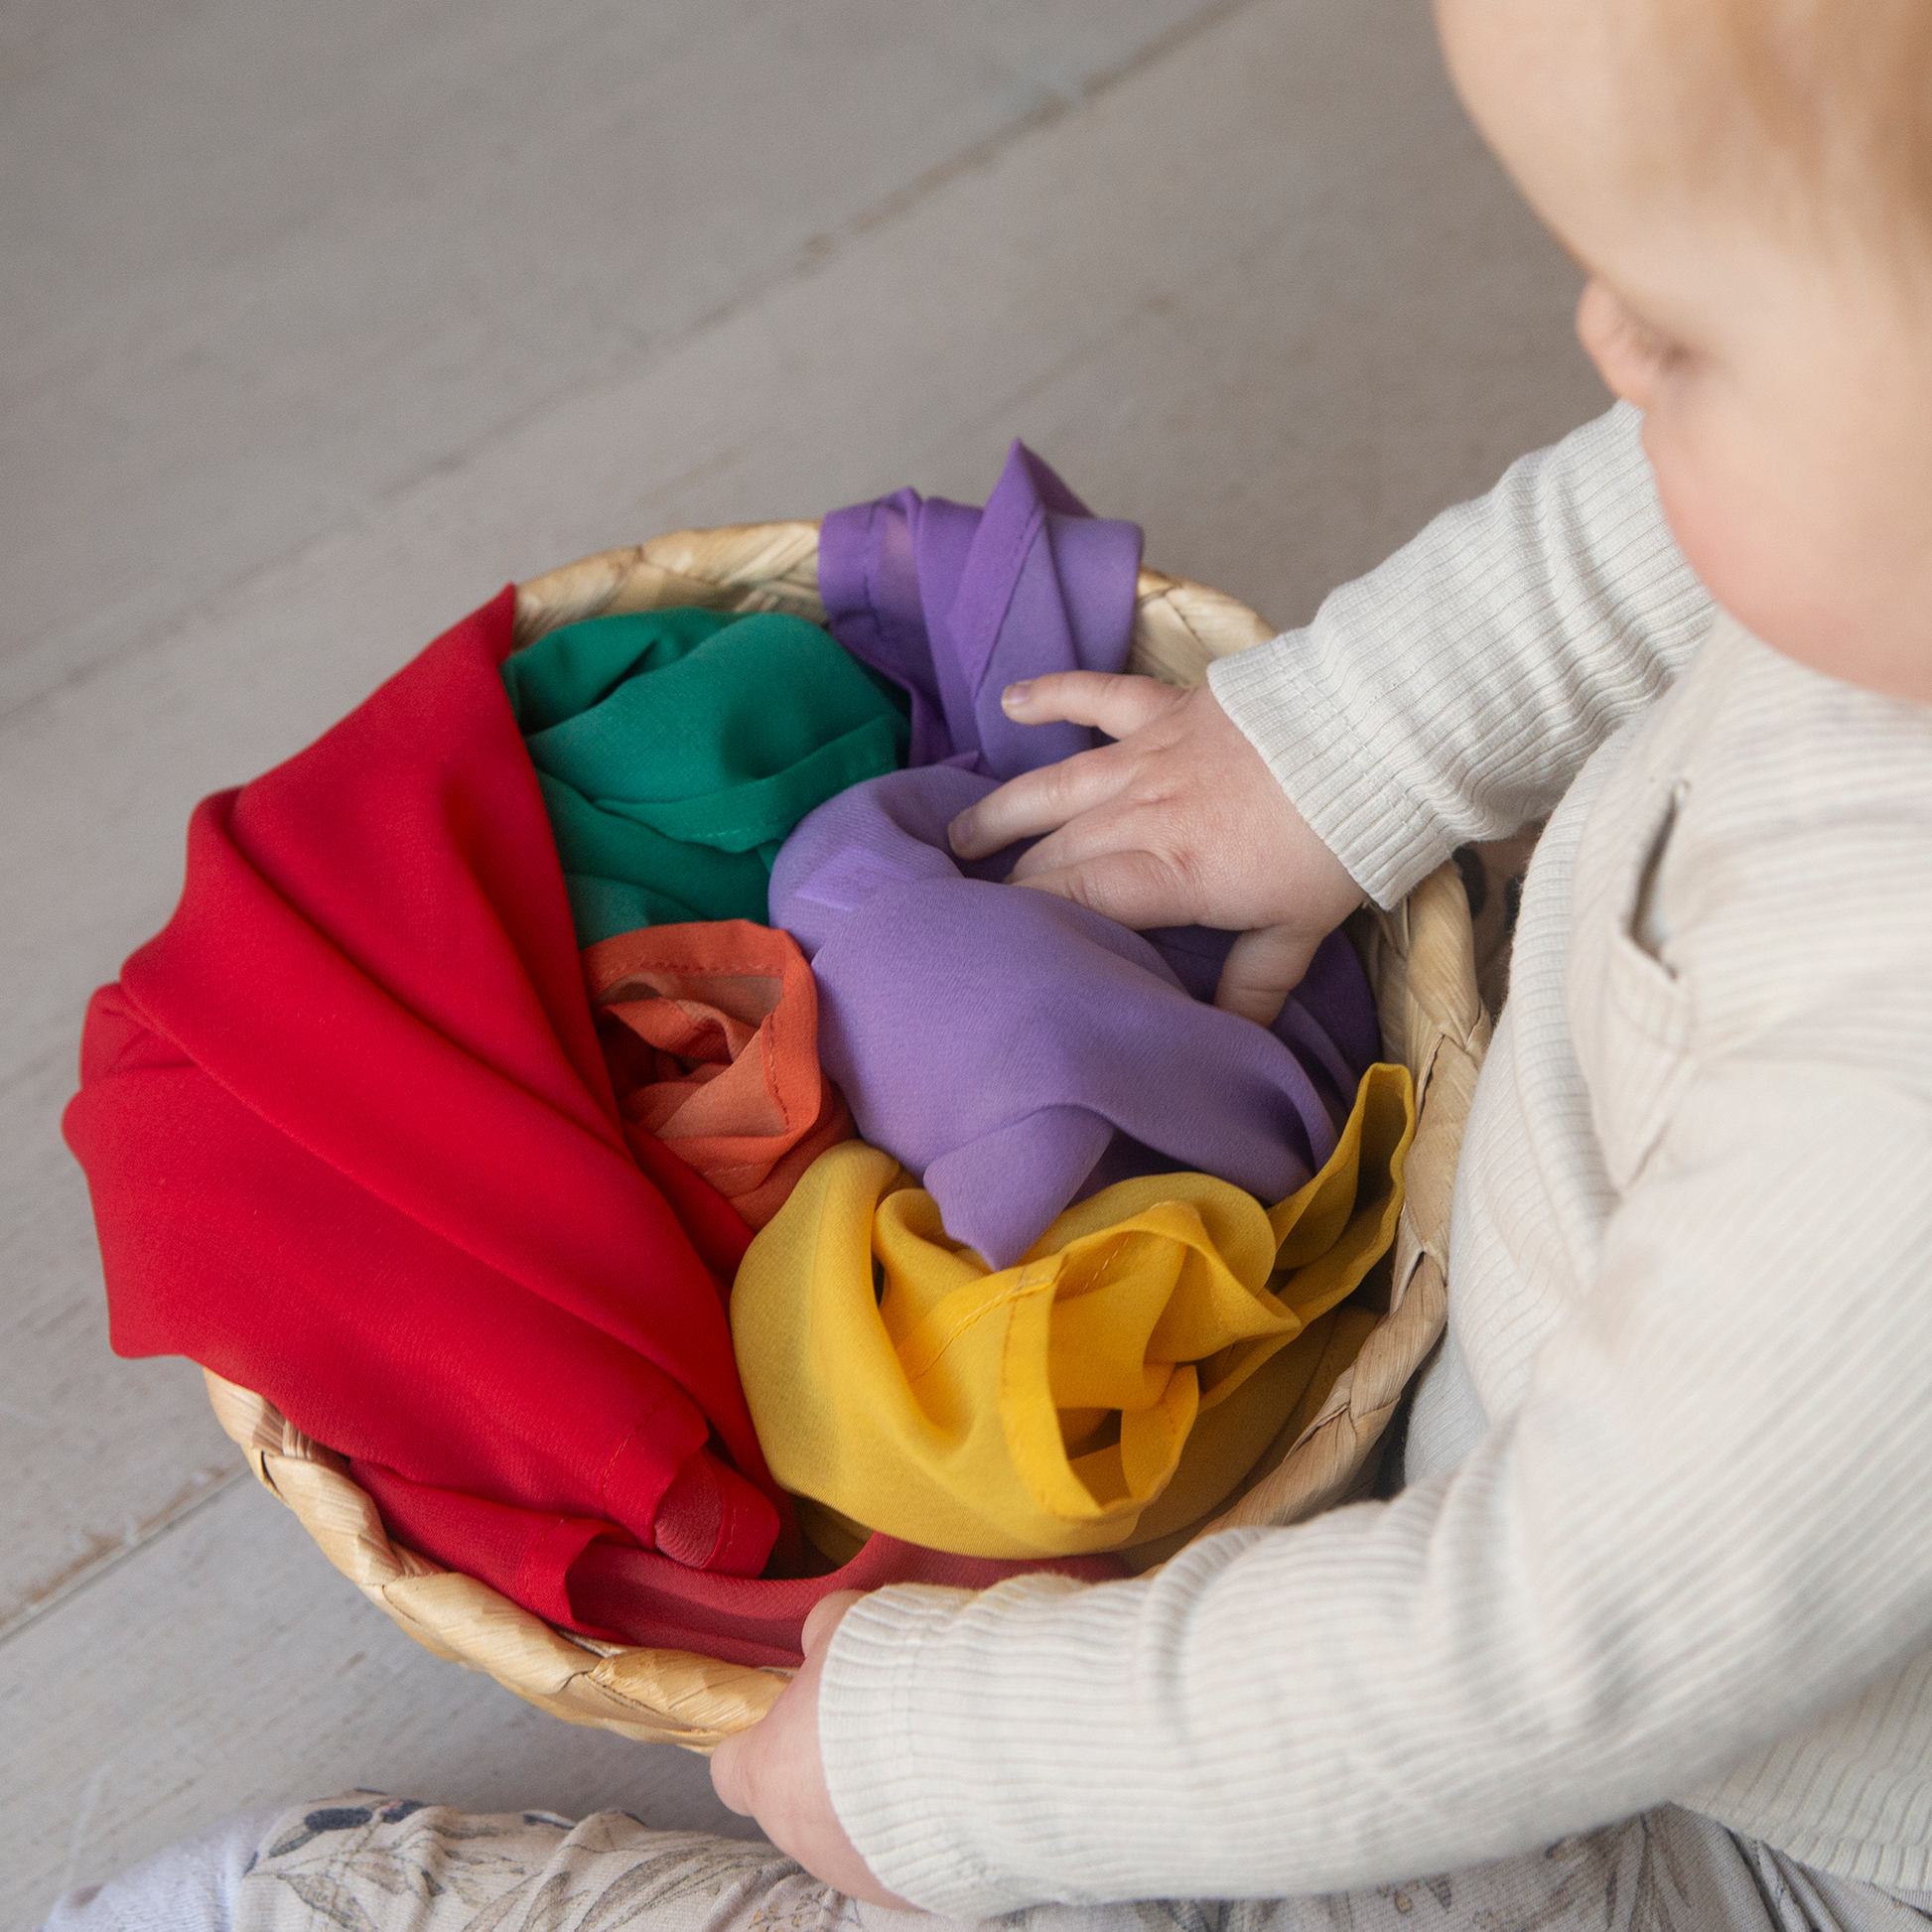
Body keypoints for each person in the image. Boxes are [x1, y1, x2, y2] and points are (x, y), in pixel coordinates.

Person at [43, 0, 1932, 1926]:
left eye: (1681, 341)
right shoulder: (1880, 528)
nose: (1604, 350)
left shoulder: (1898, 1116)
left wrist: (945, 1758)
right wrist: (1348, 734)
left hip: (1751, 1806)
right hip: (1636, 1458)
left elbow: (1543, 1648)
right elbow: (1643, 527)